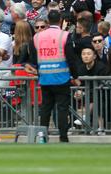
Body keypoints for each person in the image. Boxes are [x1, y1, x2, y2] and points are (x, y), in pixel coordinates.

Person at [27, 10, 80, 143]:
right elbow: (71, 58)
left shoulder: (37, 37)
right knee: (62, 109)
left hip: (45, 78)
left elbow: (34, 58)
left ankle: (42, 137)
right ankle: (63, 137)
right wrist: (75, 76)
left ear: (48, 21)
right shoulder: (64, 35)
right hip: (62, 78)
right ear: (61, 19)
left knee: (45, 109)